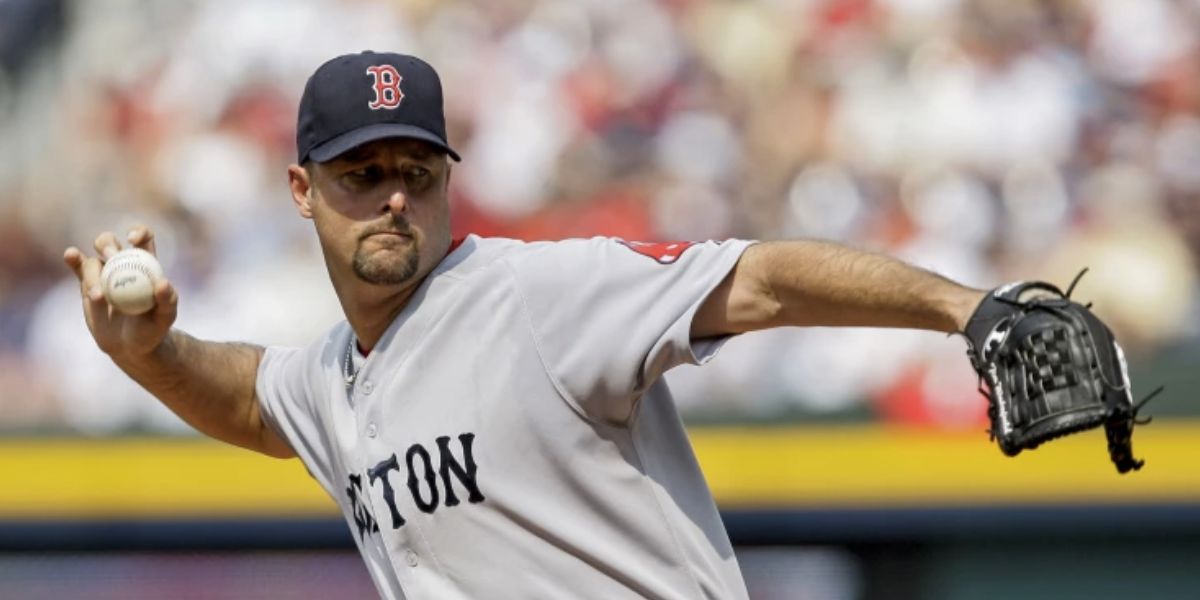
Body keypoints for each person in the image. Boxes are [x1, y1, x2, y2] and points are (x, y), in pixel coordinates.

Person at [64, 51, 985, 600]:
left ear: (447, 181)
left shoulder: (540, 292)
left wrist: (966, 309)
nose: (393, 197)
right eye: (361, 173)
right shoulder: (331, 376)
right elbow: (254, 403)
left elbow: (766, 281)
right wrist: (149, 354)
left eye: (416, 172)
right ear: (302, 191)